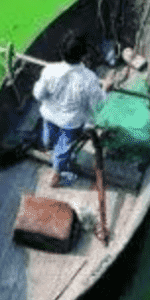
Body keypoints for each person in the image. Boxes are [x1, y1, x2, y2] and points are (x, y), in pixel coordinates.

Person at [32, 31, 112, 187]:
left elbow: (38, 95)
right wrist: (106, 89)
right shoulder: (89, 79)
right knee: (63, 148)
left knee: (49, 139)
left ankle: (49, 148)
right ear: (83, 56)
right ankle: (56, 175)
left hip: (49, 116)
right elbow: (98, 105)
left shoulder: (49, 70)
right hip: (71, 123)